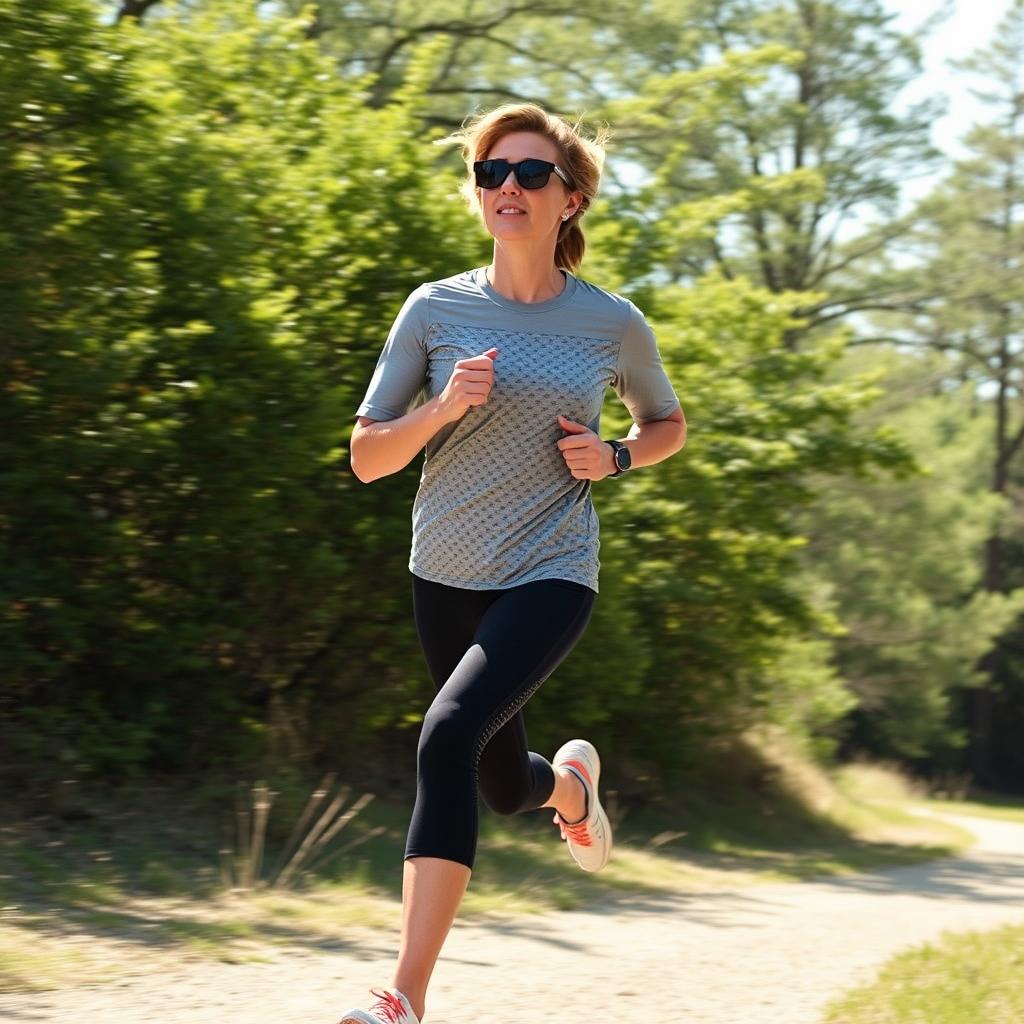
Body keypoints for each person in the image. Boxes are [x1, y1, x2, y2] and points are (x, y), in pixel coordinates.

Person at [340, 101, 687, 1024]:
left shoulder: (610, 324)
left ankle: (401, 997)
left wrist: (616, 455)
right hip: (443, 569)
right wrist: (441, 410)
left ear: (569, 199)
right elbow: (369, 456)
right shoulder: (435, 309)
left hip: (551, 569)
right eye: (492, 174)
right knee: (497, 782)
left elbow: (667, 427)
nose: (508, 190)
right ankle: (567, 784)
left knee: (445, 738)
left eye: (531, 175)